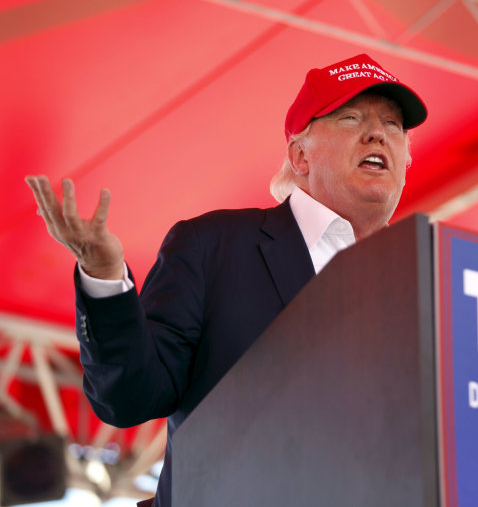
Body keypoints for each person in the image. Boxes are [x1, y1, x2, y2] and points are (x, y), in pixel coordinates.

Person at [25, 53, 427, 506]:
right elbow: (131, 397)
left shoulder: (429, 284)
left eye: (394, 125)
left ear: (407, 160)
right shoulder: (213, 245)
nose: (377, 133)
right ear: (300, 155)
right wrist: (103, 279)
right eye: (351, 117)